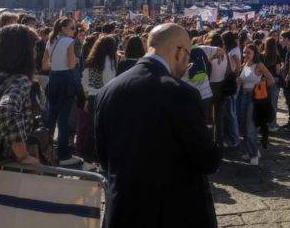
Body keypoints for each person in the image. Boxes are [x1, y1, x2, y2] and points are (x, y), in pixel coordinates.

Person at [95, 23, 221, 228]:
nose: (187, 64)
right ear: (179, 52)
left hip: (124, 210)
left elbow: (102, 155)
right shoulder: (182, 93)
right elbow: (208, 159)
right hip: (175, 212)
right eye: (188, 57)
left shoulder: (108, 90)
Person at [0, 25, 41, 167]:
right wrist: (23, 155)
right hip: (2, 163)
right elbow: (7, 112)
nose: (36, 51)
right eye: (34, 46)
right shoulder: (19, 80)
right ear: (23, 51)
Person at [43, 17, 82, 166]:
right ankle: (64, 155)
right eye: (72, 28)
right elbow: (72, 64)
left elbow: (45, 65)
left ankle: (46, 150)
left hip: (53, 78)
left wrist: (57, 63)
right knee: (63, 119)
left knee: (51, 117)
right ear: (63, 29)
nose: (74, 31)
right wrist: (76, 60)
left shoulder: (50, 41)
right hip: (65, 79)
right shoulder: (69, 42)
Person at [79, 34, 117, 160]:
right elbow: (109, 80)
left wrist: (87, 96)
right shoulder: (109, 60)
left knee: (92, 129)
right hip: (104, 96)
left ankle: (88, 159)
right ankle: (100, 158)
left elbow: (84, 80)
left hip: (91, 96)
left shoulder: (92, 59)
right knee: (104, 129)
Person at [237, 43, 275, 165]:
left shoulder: (259, 65)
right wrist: (240, 81)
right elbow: (244, 80)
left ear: (254, 54)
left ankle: (253, 155)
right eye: (244, 52)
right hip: (243, 96)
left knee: (250, 127)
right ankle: (251, 150)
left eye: (248, 52)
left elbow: (271, 80)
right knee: (242, 125)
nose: (246, 54)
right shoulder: (245, 65)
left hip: (254, 98)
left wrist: (259, 87)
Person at [261, 36, 281, 132]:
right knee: (273, 103)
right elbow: (277, 70)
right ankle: (272, 125)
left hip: (263, 80)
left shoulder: (262, 55)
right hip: (274, 80)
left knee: (263, 102)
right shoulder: (277, 56)